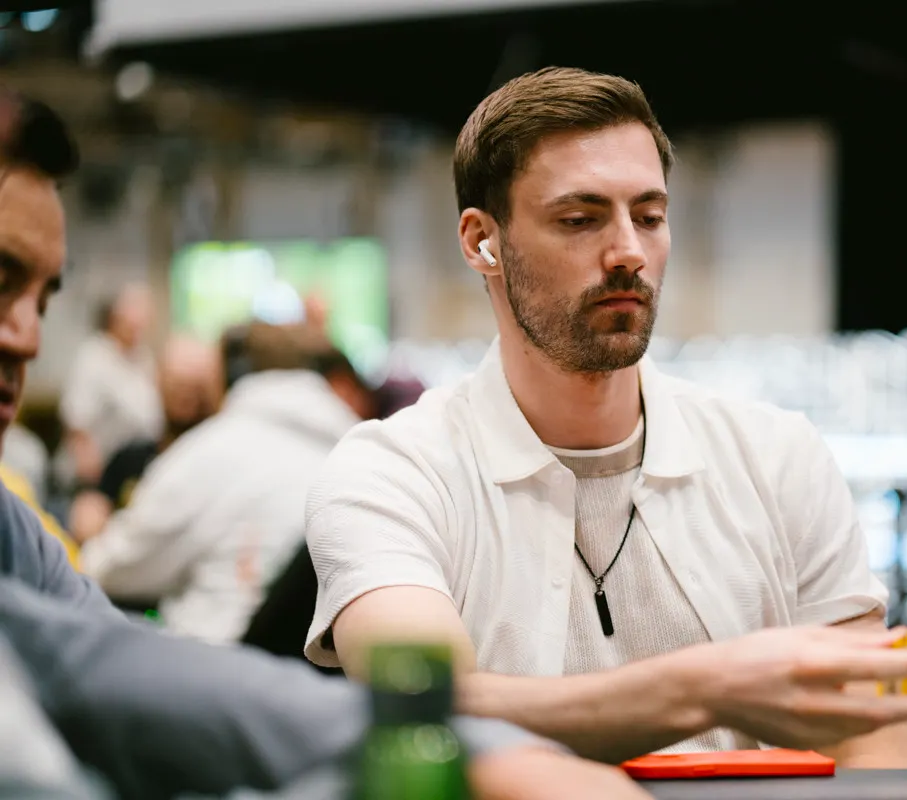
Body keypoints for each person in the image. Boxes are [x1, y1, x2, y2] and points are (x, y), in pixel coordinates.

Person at [0, 88, 655, 800]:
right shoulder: (378, 468)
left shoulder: (19, 531)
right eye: (578, 218)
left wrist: (481, 755)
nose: (27, 335)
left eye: (651, 216)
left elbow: (115, 657)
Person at [304, 66, 907, 766]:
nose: (629, 254)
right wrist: (707, 689)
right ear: (481, 241)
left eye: (649, 216)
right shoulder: (393, 473)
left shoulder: (777, 455)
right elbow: (424, 708)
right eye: (579, 220)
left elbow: (873, 738)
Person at [78, 324, 375, 644]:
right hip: (325, 666)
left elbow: (112, 568)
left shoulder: (207, 452)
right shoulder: (361, 455)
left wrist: (91, 538)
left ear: (232, 374)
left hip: (214, 657)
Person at [68, 335, 222, 544]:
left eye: (196, 388)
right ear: (158, 382)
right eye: (176, 384)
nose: (184, 398)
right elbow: (90, 513)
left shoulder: (221, 464)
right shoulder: (130, 459)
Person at [58, 281, 162, 489]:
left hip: (135, 467)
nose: (140, 321)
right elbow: (77, 420)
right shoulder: (94, 356)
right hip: (97, 473)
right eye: (134, 311)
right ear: (115, 316)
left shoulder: (144, 359)